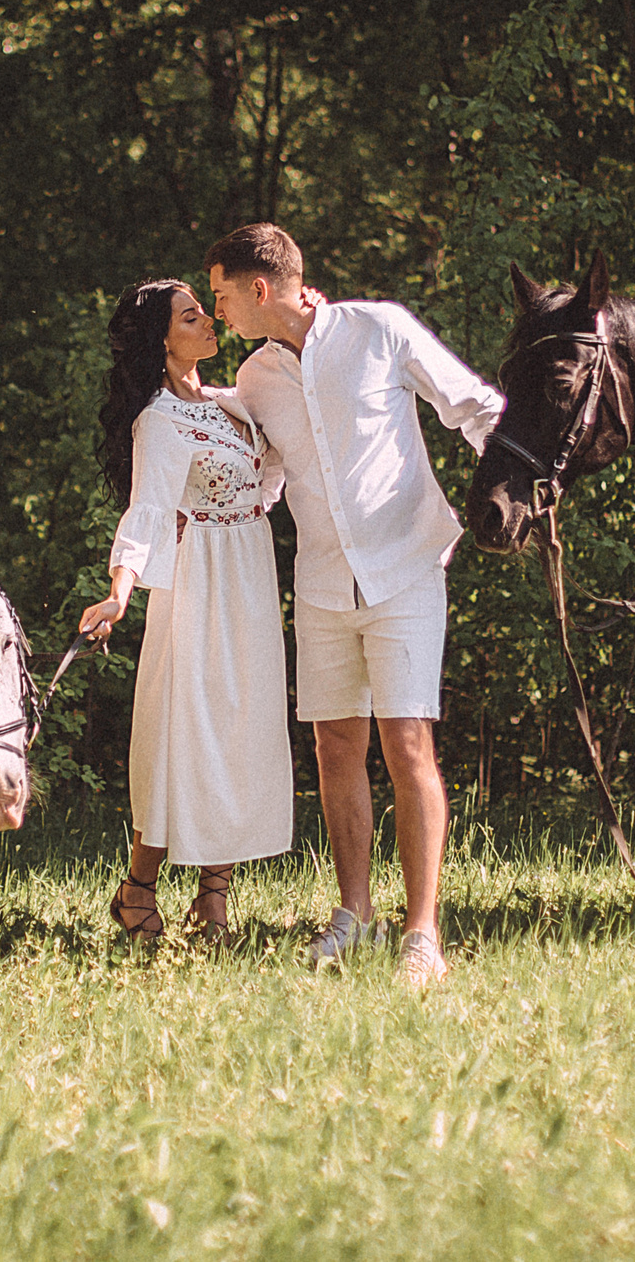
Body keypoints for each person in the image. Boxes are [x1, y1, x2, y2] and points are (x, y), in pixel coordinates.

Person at [207, 223, 503, 987]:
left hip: (405, 570)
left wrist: (521, 493)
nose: (219, 309)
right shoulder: (254, 380)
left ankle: (422, 934)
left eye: (222, 294)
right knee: (335, 746)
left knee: (408, 744)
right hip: (322, 582)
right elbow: (262, 476)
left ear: (260, 288)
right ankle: (354, 913)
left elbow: (475, 407)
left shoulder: (380, 328)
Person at [78, 280, 294, 944]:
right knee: (186, 732)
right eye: (190, 315)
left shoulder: (238, 404)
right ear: (162, 338)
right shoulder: (159, 419)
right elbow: (145, 509)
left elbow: (285, 464)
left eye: (205, 309)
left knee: (241, 727)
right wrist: (119, 591)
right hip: (199, 579)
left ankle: (214, 899)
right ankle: (138, 888)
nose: (208, 321)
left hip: (252, 578)